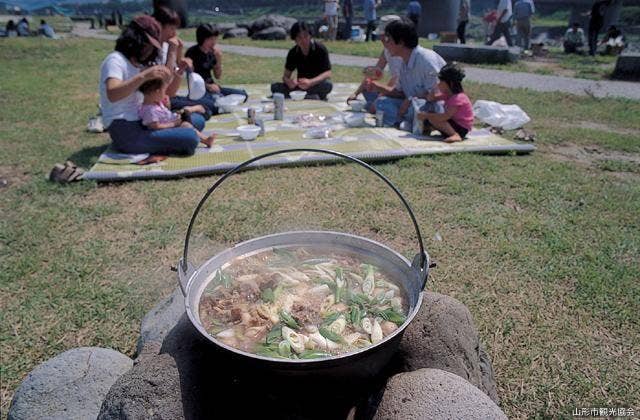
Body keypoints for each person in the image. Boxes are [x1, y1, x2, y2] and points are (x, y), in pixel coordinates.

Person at [99, 15, 202, 156]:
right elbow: (113, 93)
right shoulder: (115, 60)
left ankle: (175, 135)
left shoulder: (140, 64)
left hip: (145, 121)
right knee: (190, 138)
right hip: (124, 128)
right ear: (135, 40)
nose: (148, 49)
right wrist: (144, 76)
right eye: (147, 44)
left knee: (197, 120)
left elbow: (169, 92)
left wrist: (178, 69)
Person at [368, 18, 446, 128]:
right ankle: (406, 123)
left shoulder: (426, 60)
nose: (385, 44)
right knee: (381, 102)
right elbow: (399, 93)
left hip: (431, 107)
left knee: (418, 108)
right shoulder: (403, 61)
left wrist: (411, 100)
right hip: (410, 106)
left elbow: (439, 94)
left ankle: (409, 122)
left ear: (400, 42)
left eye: (388, 39)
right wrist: (378, 87)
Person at [138, 78, 215, 148]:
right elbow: (155, 127)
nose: (165, 94)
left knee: (186, 117)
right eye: (163, 91)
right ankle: (205, 140)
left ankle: (196, 132)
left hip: (172, 121)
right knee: (186, 126)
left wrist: (167, 105)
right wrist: (174, 124)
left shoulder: (156, 103)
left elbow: (166, 113)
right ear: (156, 92)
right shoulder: (149, 110)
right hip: (166, 128)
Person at [347, 19, 403, 113]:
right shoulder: (387, 51)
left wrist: (380, 97)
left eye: (384, 39)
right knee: (368, 88)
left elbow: (397, 81)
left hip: (402, 93)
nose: (382, 42)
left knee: (380, 103)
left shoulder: (403, 52)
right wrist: (356, 93)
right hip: (393, 90)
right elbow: (374, 73)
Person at [270, 21, 333, 100]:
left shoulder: (320, 49)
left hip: (315, 84)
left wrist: (310, 82)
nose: (303, 40)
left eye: (306, 36)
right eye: (299, 37)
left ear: (310, 36)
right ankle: (309, 96)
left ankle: (305, 95)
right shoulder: (293, 52)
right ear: (295, 39)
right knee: (274, 87)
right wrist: (289, 82)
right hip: (300, 86)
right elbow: (285, 76)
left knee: (328, 85)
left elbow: (328, 73)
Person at [418, 63, 473, 143]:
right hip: (454, 124)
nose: (439, 84)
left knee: (434, 118)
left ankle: (455, 135)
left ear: (450, 83)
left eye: (441, 82)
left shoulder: (458, 98)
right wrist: (434, 88)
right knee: (431, 115)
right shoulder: (448, 95)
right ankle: (428, 130)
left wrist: (427, 116)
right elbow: (430, 98)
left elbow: (445, 116)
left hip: (461, 128)